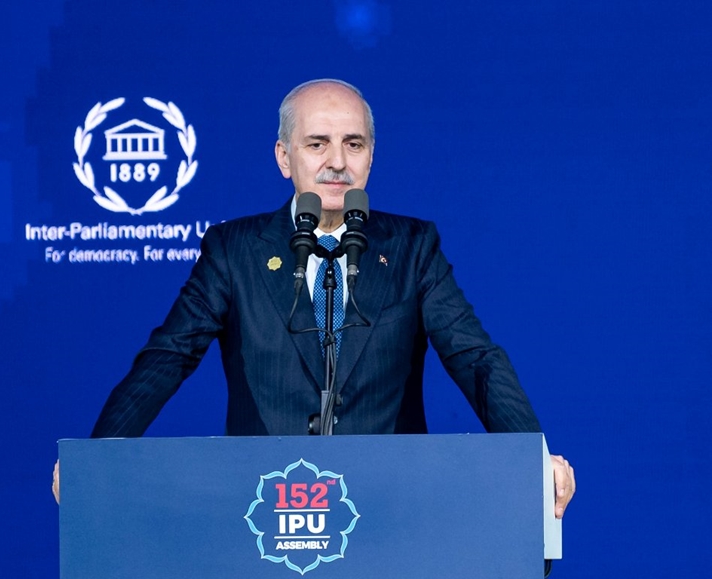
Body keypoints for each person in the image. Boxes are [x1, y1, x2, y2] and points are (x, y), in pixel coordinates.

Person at [53, 79, 575, 517]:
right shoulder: (234, 250)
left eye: (354, 144)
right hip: (265, 511)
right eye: (317, 144)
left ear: (371, 155)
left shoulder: (412, 246)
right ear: (285, 157)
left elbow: (475, 358)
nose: (337, 162)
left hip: (388, 511)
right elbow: (169, 356)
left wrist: (533, 455)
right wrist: (96, 458)